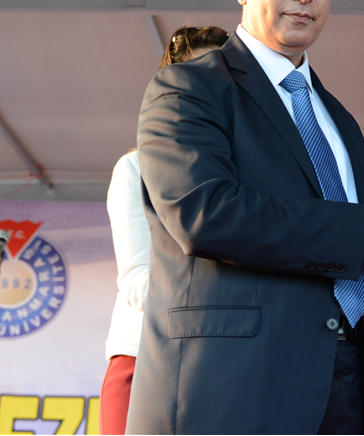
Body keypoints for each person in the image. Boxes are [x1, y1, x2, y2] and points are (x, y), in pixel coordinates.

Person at [125, 0, 364, 435]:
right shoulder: (188, 88)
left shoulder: (337, 119)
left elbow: (355, 253)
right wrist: (360, 230)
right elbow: (204, 213)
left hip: (350, 384)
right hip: (234, 390)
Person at [100, 25, 230, 435]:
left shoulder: (246, 177)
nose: (210, 86)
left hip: (225, 365)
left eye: (222, 74)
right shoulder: (135, 168)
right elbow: (138, 281)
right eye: (196, 74)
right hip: (145, 358)